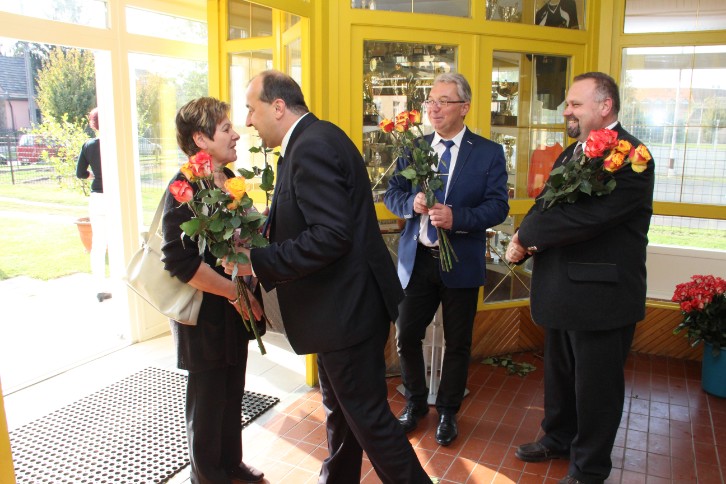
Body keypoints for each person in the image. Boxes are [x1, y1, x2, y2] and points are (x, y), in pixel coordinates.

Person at [232, 69, 432, 483]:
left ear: (278, 107)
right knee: (341, 411)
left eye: (251, 109)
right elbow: (315, 219)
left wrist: (258, 261)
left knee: (371, 422)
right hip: (340, 312)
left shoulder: (311, 146)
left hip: (345, 313)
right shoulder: (314, 138)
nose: (247, 121)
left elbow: (330, 236)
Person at [506, 72, 655, 484]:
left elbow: (589, 218)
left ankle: (589, 468)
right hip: (560, 289)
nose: (566, 111)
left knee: (596, 389)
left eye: (574, 104)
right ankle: (558, 438)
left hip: (601, 296)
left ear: (605, 106)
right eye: (567, 104)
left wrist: (526, 237)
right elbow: (547, 203)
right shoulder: (572, 152)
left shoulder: (632, 157)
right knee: (560, 376)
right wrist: (524, 235)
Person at [384, 73, 510, 446]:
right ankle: (415, 404)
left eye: (443, 101)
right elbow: (392, 193)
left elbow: (498, 206)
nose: (434, 108)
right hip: (418, 260)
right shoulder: (414, 147)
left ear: (464, 107)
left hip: (461, 261)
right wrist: (410, 203)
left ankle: (448, 412)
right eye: (430, 101)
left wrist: (459, 218)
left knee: (458, 343)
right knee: (406, 335)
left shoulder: (488, 152)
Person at [160, 97, 265, 484]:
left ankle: (230, 463)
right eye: (226, 129)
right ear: (200, 139)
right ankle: (206, 476)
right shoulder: (183, 187)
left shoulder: (228, 179)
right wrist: (235, 294)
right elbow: (180, 262)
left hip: (233, 313)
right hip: (205, 316)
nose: (236, 134)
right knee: (206, 402)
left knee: (233, 390)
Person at [76, 108, 111, 302]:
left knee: (98, 243)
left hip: (98, 198)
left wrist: (93, 175)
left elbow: (80, 173)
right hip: (114, 197)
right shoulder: (115, 145)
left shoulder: (88, 146)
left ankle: (100, 286)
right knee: (119, 239)